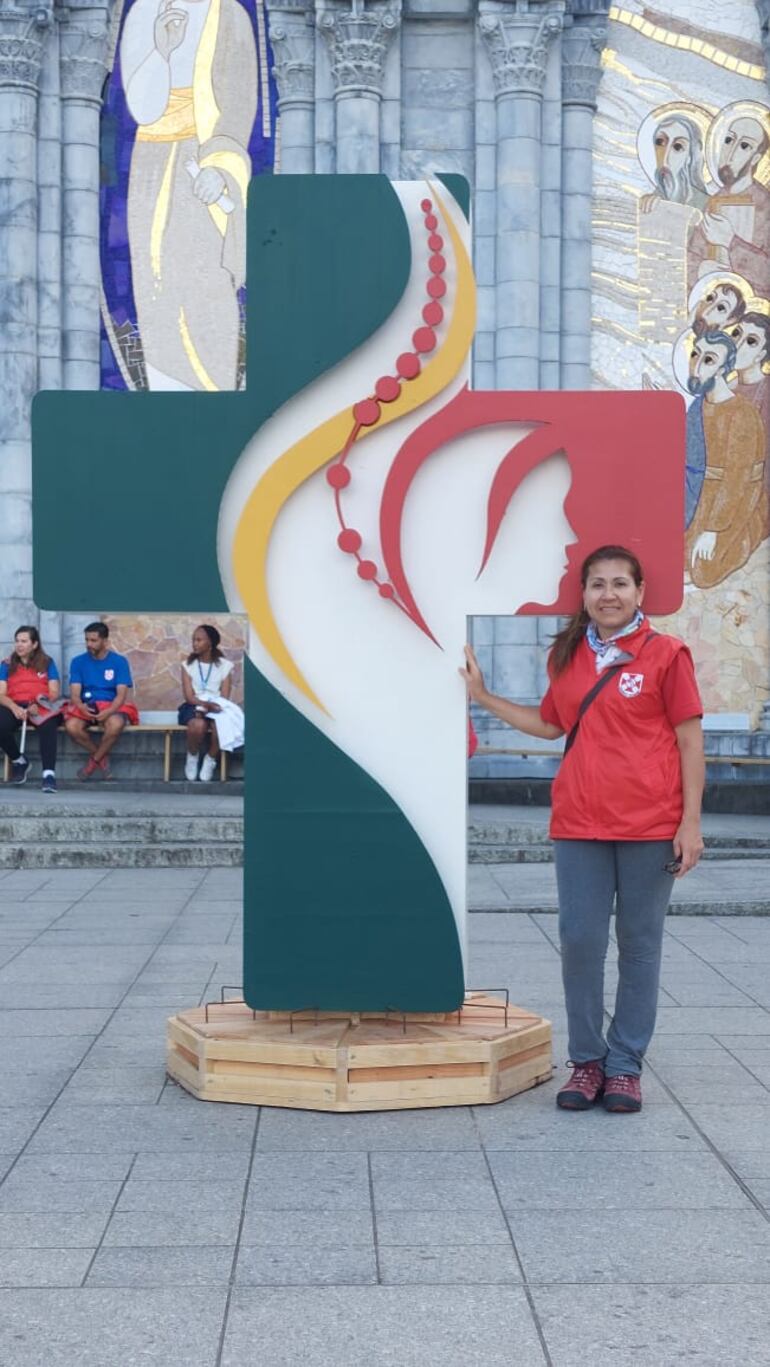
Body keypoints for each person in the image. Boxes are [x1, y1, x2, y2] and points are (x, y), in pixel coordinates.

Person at [461, 545, 705, 1114]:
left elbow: (691, 741)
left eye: (620, 583)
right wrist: (484, 697)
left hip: (650, 824)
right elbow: (550, 724)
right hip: (578, 822)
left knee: (639, 946)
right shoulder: (567, 656)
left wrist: (690, 823)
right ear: (585, 595)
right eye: (597, 584)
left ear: (641, 592)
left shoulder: (666, 655)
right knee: (579, 942)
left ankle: (625, 1066)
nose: (609, 594)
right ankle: (587, 1061)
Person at [64, 622, 139, 781]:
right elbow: (75, 694)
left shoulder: (119, 661)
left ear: (105, 641)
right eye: (87, 640)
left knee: (116, 724)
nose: (89, 644)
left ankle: (91, 764)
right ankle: (102, 759)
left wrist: (109, 711)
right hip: (87, 706)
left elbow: (121, 695)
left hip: (111, 706)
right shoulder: (78, 661)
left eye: (93, 640)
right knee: (71, 726)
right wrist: (81, 707)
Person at [0, 626, 62, 792]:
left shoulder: (47, 662)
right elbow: (1, 694)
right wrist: (13, 707)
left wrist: (39, 704)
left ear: (34, 644)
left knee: (49, 724)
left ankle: (49, 775)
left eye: (24, 641)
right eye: (17, 641)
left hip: (40, 704)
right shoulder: (6, 664)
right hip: (14, 705)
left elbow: (54, 692)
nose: (19, 645)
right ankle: (19, 761)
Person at [180, 624, 233, 781]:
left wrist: (211, 707)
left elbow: (224, 696)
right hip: (193, 704)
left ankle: (210, 759)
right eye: (193, 640)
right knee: (198, 724)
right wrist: (204, 706)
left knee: (220, 725)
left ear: (210, 642)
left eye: (199, 640)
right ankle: (192, 755)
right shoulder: (187, 665)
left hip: (217, 704)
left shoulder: (225, 666)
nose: (195, 643)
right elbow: (189, 696)